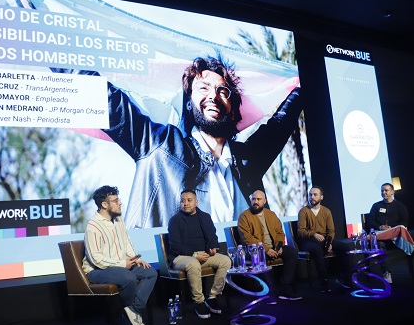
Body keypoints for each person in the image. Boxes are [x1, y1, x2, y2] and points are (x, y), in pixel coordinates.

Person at [55, 55, 302, 229]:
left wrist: (305, 81)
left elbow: (281, 122)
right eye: (203, 88)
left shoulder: (247, 160)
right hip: (173, 282)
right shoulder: (159, 145)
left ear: (233, 109)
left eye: (223, 91)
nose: (213, 96)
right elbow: (104, 98)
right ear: (189, 103)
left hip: (243, 281)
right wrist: (48, 36)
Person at [82, 185, 157, 325]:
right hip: (97, 270)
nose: (120, 203)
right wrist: (123, 264)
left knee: (150, 272)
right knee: (128, 278)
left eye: (118, 199)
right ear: (104, 204)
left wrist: (135, 258)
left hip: (120, 265)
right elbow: (96, 259)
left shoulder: (118, 219)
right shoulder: (93, 226)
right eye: (115, 201)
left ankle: (133, 310)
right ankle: (129, 312)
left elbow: (126, 240)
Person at [167, 189, 231, 319]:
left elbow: (213, 236)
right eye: (183, 201)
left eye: (189, 200)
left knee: (226, 261)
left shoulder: (205, 217)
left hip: (204, 255)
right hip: (182, 257)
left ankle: (212, 297)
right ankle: (199, 302)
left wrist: (214, 247)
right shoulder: (175, 220)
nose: (185, 203)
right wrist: (194, 255)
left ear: (196, 202)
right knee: (193, 263)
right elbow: (175, 246)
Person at [237, 190, 301, 300]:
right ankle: (269, 292)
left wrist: (279, 246)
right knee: (260, 257)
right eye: (253, 199)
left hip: (274, 247)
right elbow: (247, 239)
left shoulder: (271, 214)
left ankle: (285, 287)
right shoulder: (244, 217)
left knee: (292, 253)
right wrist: (266, 249)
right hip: (256, 250)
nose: (255, 202)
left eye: (258, 199)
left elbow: (280, 233)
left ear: (264, 201)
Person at [297, 186, 353, 293]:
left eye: (315, 195)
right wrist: (314, 234)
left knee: (344, 247)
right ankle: (324, 281)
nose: (312, 197)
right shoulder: (303, 211)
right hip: (308, 241)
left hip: (323, 240)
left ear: (321, 197)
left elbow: (331, 231)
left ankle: (345, 278)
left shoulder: (326, 211)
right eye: (310, 194)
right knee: (318, 250)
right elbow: (301, 231)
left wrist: (329, 242)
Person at [365, 182, 410, 284]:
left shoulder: (400, 206)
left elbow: (404, 222)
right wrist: (380, 227)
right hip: (381, 237)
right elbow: (370, 222)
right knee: (379, 244)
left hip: (396, 237)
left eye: (386, 190)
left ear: (392, 192)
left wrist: (392, 228)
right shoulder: (376, 206)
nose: (384, 192)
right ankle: (386, 272)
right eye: (382, 191)